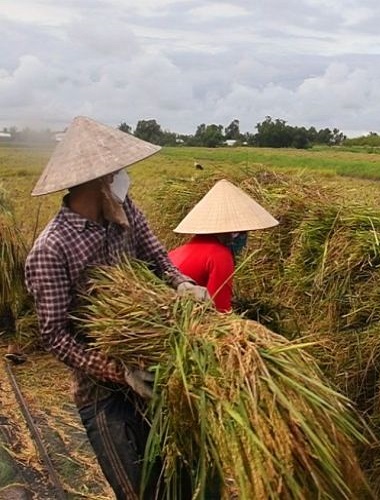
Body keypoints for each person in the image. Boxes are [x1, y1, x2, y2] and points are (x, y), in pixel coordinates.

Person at [24, 116, 210, 499]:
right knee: (142, 491)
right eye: (118, 171)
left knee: (181, 482)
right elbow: (55, 336)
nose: (124, 178)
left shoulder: (124, 213)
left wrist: (183, 284)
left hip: (153, 372)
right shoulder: (51, 249)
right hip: (103, 394)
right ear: (100, 180)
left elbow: (157, 257)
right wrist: (117, 370)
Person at [169, 179, 279, 313]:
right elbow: (219, 309)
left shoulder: (178, 251)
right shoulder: (220, 255)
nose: (244, 238)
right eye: (243, 232)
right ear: (233, 233)